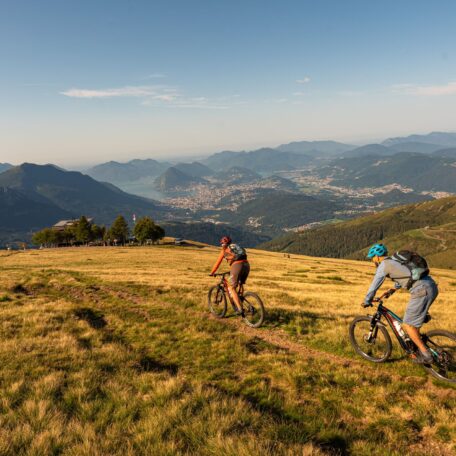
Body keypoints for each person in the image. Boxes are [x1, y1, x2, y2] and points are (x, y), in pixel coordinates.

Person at [363, 243, 439, 364]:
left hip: (421, 290)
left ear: (377, 257)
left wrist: (367, 300)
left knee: (408, 325)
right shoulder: (395, 260)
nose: (372, 260)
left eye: (372, 258)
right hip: (431, 286)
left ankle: (426, 355)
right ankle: (417, 343)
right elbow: (407, 274)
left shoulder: (384, 265)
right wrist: (392, 289)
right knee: (413, 323)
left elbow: (375, 284)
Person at [209, 236, 250, 316]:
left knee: (231, 287)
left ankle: (240, 309)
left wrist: (212, 272)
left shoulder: (224, 250)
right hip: (246, 265)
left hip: (237, 265)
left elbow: (217, 263)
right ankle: (240, 297)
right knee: (239, 283)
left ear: (222, 244)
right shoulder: (235, 246)